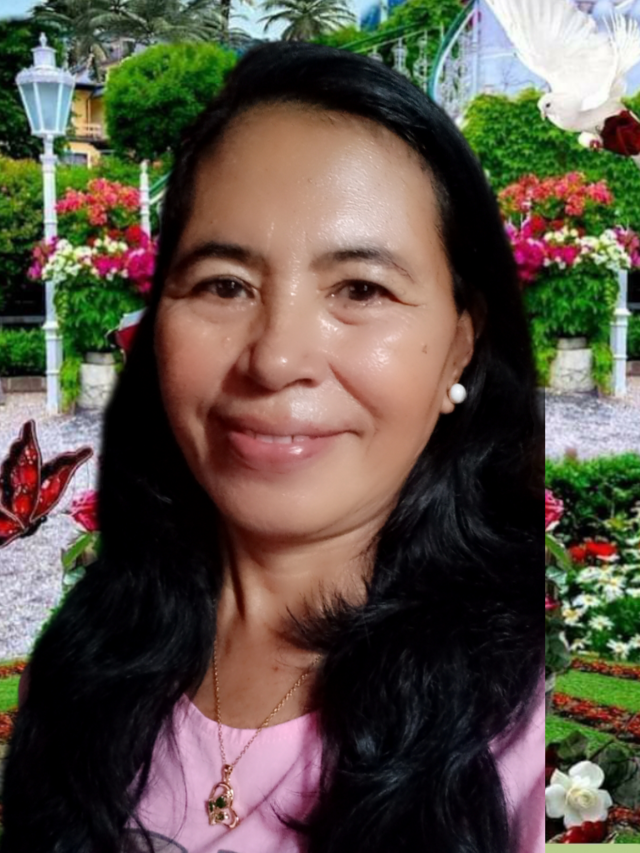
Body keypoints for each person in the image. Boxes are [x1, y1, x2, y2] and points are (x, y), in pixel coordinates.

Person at [2, 41, 544, 853]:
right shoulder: (80, 668)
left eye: (361, 289)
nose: (276, 358)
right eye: (225, 284)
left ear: (460, 349)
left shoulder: (528, 739)